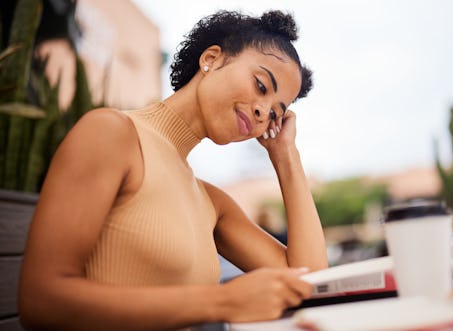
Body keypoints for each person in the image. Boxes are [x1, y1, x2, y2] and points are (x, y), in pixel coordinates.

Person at [18, 9, 328, 331]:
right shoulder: (111, 134)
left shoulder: (213, 203)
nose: (263, 111)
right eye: (261, 85)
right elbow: (40, 300)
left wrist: (285, 155)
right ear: (212, 59)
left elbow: (311, 280)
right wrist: (221, 302)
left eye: (276, 114)